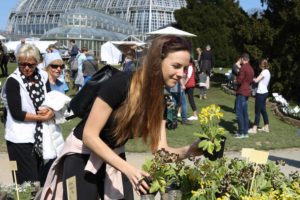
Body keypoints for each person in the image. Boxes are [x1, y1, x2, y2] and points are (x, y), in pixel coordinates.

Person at [41, 35, 202, 200]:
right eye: (176, 66)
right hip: (81, 154)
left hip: (114, 156)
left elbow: (161, 151)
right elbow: (89, 136)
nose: (181, 74)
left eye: (184, 68)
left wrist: (189, 151)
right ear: (156, 61)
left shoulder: (160, 101)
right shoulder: (120, 84)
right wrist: (129, 170)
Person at [0, 43, 55, 184]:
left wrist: (51, 111)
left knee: (41, 177)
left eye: (31, 65)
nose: (26, 68)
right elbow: (17, 113)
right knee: (28, 181)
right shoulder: (13, 81)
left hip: (40, 135)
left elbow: (50, 99)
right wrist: (41, 117)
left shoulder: (43, 76)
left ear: (37, 63)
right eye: (22, 64)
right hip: (20, 138)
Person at [234, 53, 254, 139]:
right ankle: (245, 132)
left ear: (242, 59)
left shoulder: (243, 68)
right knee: (245, 113)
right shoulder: (251, 69)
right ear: (248, 59)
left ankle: (241, 132)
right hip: (247, 91)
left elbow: (239, 80)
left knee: (239, 113)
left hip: (241, 91)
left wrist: (235, 80)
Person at [248, 59, 271, 134]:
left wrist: (250, 77)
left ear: (262, 65)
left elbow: (256, 80)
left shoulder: (264, 72)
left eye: (260, 64)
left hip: (261, 93)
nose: (259, 65)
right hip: (265, 93)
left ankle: (254, 129)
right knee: (263, 110)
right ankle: (266, 127)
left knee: (257, 111)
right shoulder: (268, 72)